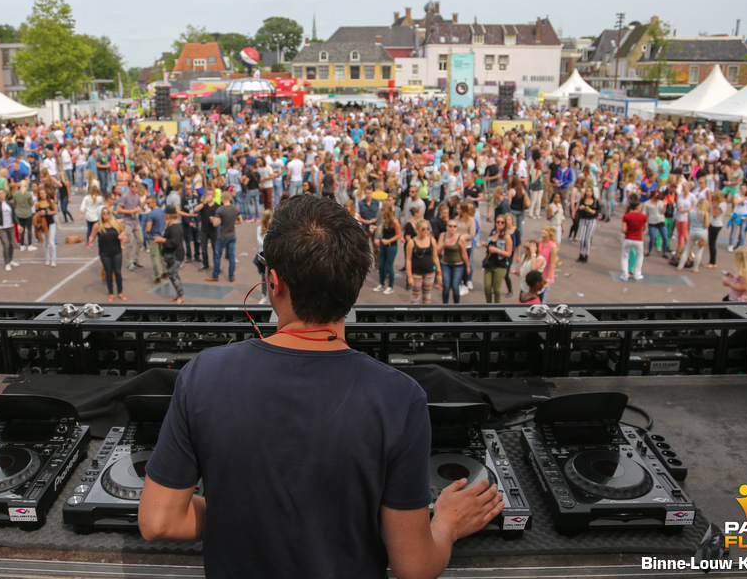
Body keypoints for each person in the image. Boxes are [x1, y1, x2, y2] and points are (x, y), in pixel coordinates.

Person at [139, 195, 503, 578]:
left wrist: (250, 511)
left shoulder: (203, 374)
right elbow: (414, 567)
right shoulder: (400, 398)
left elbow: (159, 521)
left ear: (273, 282)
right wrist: (446, 523)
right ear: (354, 285)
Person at [89, 206, 127, 302]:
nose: (106, 215)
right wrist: (90, 240)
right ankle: (111, 293)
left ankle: (120, 292)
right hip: (105, 253)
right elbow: (92, 236)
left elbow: (122, 231)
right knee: (108, 273)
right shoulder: (97, 226)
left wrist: (122, 235)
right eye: (104, 213)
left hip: (117, 251)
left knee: (118, 272)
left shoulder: (116, 223)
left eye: (107, 213)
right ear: (101, 215)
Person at [207, 189, 241, 283]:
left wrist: (215, 220)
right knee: (231, 256)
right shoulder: (235, 208)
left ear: (222, 199)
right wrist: (234, 223)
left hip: (222, 235)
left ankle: (215, 275)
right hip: (232, 235)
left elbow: (215, 224)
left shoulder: (220, 209)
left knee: (217, 256)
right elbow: (240, 221)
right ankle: (231, 276)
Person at [155, 205, 186, 303]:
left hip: (175, 255)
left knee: (172, 274)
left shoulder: (174, 228)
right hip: (174, 254)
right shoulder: (173, 225)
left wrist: (162, 239)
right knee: (174, 274)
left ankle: (181, 295)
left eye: (165, 213)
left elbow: (174, 242)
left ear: (168, 214)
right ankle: (179, 294)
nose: (164, 215)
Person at [405, 218, 440, 304]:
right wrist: (409, 276)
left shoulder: (432, 241)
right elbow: (408, 260)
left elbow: (435, 257)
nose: (426, 231)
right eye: (423, 229)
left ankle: (426, 315)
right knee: (415, 296)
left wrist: (439, 272)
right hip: (416, 273)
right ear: (417, 229)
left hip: (429, 272)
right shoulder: (412, 242)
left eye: (427, 229)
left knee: (427, 296)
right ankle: (414, 315)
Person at [437, 218, 470, 304]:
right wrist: (444, 244)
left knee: (455, 286)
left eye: (454, 226)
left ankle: (456, 306)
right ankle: (445, 306)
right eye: (450, 226)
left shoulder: (460, 238)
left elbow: (464, 253)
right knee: (446, 286)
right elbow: (437, 252)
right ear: (447, 227)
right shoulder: (443, 235)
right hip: (445, 264)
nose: (452, 228)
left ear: (456, 228)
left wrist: (468, 266)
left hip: (458, 264)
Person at [482, 214, 513, 303]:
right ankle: (488, 307)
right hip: (489, 264)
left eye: (502, 222)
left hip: (500, 265)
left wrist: (497, 250)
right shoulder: (492, 233)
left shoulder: (507, 237)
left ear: (505, 224)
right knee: (487, 288)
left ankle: (497, 308)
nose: (500, 224)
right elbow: (490, 247)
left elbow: (508, 253)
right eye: (498, 222)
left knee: (497, 290)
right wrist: (486, 246)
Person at [372, 202, 401, 295]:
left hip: (391, 246)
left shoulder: (394, 221)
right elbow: (381, 229)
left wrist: (388, 241)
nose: (381, 211)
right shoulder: (383, 219)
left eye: (382, 210)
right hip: (383, 245)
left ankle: (390, 286)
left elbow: (399, 235)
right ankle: (381, 283)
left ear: (387, 211)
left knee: (389, 267)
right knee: (381, 265)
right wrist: (376, 228)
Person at [117, 180, 145, 271]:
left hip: (135, 221)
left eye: (135, 186)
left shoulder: (137, 196)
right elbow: (119, 210)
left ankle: (136, 260)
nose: (134, 188)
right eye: (132, 186)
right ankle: (129, 263)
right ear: (129, 187)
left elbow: (140, 206)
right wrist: (131, 211)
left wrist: (145, 201)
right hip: (127, 222)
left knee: (140, 240)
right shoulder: (125, 196)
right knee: (129, 244)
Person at [677, 198, 710, 273]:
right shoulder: (705, 213)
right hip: (702, 232)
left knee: (687, 249)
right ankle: (695, 268)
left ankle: (680, 266)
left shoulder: (691, 211)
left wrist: (689, 230)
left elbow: (689, 222)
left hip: (693, 231)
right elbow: (706, 225)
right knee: (699, 251)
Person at [0, 189, 19, 272]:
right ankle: (7, 262)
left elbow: (14, 214)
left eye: (3, 193)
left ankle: (11, 259)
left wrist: (18, 224)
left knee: (11, 244)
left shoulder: (9, 203)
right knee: (6, 244)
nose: (2, 195)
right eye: (0, 194)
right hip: (1, 227)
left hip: (10, 226)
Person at [620, 197, 647, 282]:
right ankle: (637, 274)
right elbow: (644, 229)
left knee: (625, 256)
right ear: (638, 207)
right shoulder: (643, 216)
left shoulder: (626, 216)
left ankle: (625, 274)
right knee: (640, 256)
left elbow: (623, 229)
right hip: (638, 239)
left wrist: (628, 232)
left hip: (628, 238)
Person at [144, 194, 167, 285]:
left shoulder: (151, 214)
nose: (147, 205)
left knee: (154, 257)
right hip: (162, 235)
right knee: (162, 255)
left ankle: (157, 276)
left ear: (153, 202)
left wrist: (147, 231)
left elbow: (148, 228)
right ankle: (165, 272)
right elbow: (165, 222)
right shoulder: (162, 211)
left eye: (148, 203)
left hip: (154, 237)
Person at [575, 185, 600, 263]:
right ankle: (581, 254)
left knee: (587, 239)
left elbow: (599, 210)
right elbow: (579, 210)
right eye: (587, 191)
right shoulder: (583, 200)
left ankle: (587, 254)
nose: (589, 193)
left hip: (591, 220)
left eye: (590, 191)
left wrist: (595, 212)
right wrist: (580, 208)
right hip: (583, 219)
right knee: (581, 238)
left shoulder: (595, 201)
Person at [704, 191, 728, 268]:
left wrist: (713, 205)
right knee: (711, 243)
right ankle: (711, 261)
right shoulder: (719, 204)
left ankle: (713, 262)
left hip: (716, 225)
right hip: (712, 224)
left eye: (714, 196)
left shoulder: (722, 204)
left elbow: (715, 215)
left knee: (712, 243)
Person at [35, 186, 58, 267]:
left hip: (51, 223)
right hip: (43, 225)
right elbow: (36, 214)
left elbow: (55, 211)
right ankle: (47, 258)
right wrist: (40, 213)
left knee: (51, 242)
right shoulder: (38, 203)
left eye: (44, 193)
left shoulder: (51, 201)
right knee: (45, 242)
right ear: (39, 195)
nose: (43, 195)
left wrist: (51, 212)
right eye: (41, 194)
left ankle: (53, 259)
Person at [13, 179, 36, 251]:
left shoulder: (16, 193)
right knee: (29, 229)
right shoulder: (28, 194)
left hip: (19, 213)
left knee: (21, 229)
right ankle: (29, 244)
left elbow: (14, 203)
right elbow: (31, 204)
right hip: (28, 213)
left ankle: (22, 244)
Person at [255, 209, 272, 304]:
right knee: (263, 277)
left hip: (271, 256)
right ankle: (264, 296)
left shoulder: (274, 228)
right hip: (263, 256)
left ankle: (272, 296)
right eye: (270, 218)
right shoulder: (259, 228)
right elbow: (259, 241)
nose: (272, 219)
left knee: (272, 277)